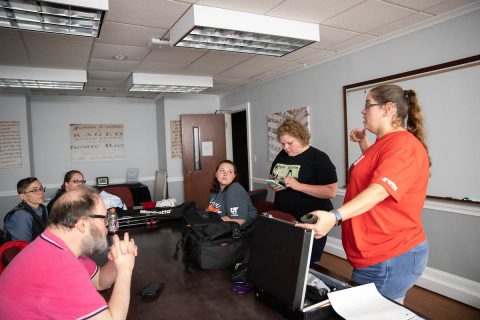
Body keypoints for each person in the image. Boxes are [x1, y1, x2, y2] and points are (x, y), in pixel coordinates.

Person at [297, 84, 430, 303]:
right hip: (376, 254)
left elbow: (378, 191)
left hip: (390, 255)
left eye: (368, 104)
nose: (362, 110)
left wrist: (334, 216)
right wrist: (363, 141)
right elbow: (376, 168)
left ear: (388, 109)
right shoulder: (382, 143)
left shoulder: (404, 146)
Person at [0, 185, 138, 319]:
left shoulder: (51, 243)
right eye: (104, 219)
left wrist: (117, 260)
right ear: (82, 224)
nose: (107, 225)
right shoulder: (61, 267)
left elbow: (100, 281)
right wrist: (125, 270)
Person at [268, 119, 338, 265]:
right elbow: (272, 175)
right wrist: (274, 183)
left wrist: (299, 186)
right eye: (282, 143)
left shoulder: (319, 158)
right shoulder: (282, 154)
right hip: (284, 217)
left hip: (310, 220)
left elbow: (331, 192)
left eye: (290, 143)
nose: (285, 147)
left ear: (301, 137)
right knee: (285, 259)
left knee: (307, 264)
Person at [206, 160, 257, 226]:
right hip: (216, 227)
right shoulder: (215, 190)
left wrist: (207, 222)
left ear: (234, 176)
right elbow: (209, 210)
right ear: (216, 174)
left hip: (235, 231)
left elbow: (239, 220)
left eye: (230, 172)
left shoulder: (235, 189)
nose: (225, 174)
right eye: (222, 170)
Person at [3, 177, 48, 242]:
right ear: (23, 196)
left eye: (41, 189)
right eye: (34, 190)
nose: (40, 192)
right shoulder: (21, 215)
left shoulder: (43, 208)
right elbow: (23, 246)